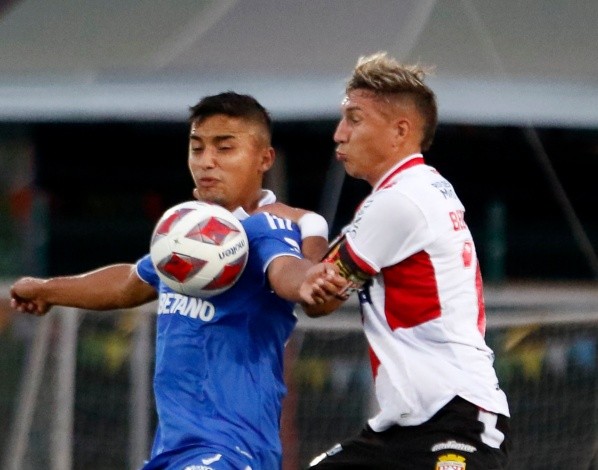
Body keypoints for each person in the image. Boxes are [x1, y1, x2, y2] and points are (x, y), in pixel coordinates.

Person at [9, 92, 329, 470]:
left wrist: (307, 282)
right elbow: (129, 283)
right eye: (197, 147)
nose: (206, 161)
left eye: (224, 148)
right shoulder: (194, 232)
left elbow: (287, 269)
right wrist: (46, 290)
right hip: (173, 451)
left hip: (230, 451)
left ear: (264, 159)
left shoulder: (269, 227)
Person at [297, 52, 511, 469]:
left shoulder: (401, 201)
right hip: (403, 429)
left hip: (455, 420)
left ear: (400, 130)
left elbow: (318, 299)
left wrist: (290, 227)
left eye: (354, 119)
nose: (339, 134)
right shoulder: (423, 187)